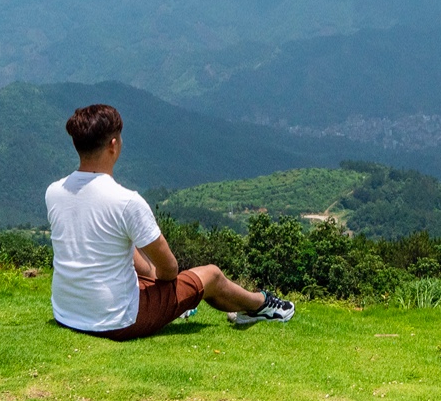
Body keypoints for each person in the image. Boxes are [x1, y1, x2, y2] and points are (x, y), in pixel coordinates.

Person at [45, 103, 294, 339]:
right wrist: (163, 288)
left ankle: (244, 305)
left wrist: (151, 280)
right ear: (113, 145)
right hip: (117, 321)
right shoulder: (125, 201)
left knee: (134, 256)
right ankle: (261, 305)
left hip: (67, 314)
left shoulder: (54, 192)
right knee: (211, 275)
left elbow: (120, 249)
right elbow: (170, 269)